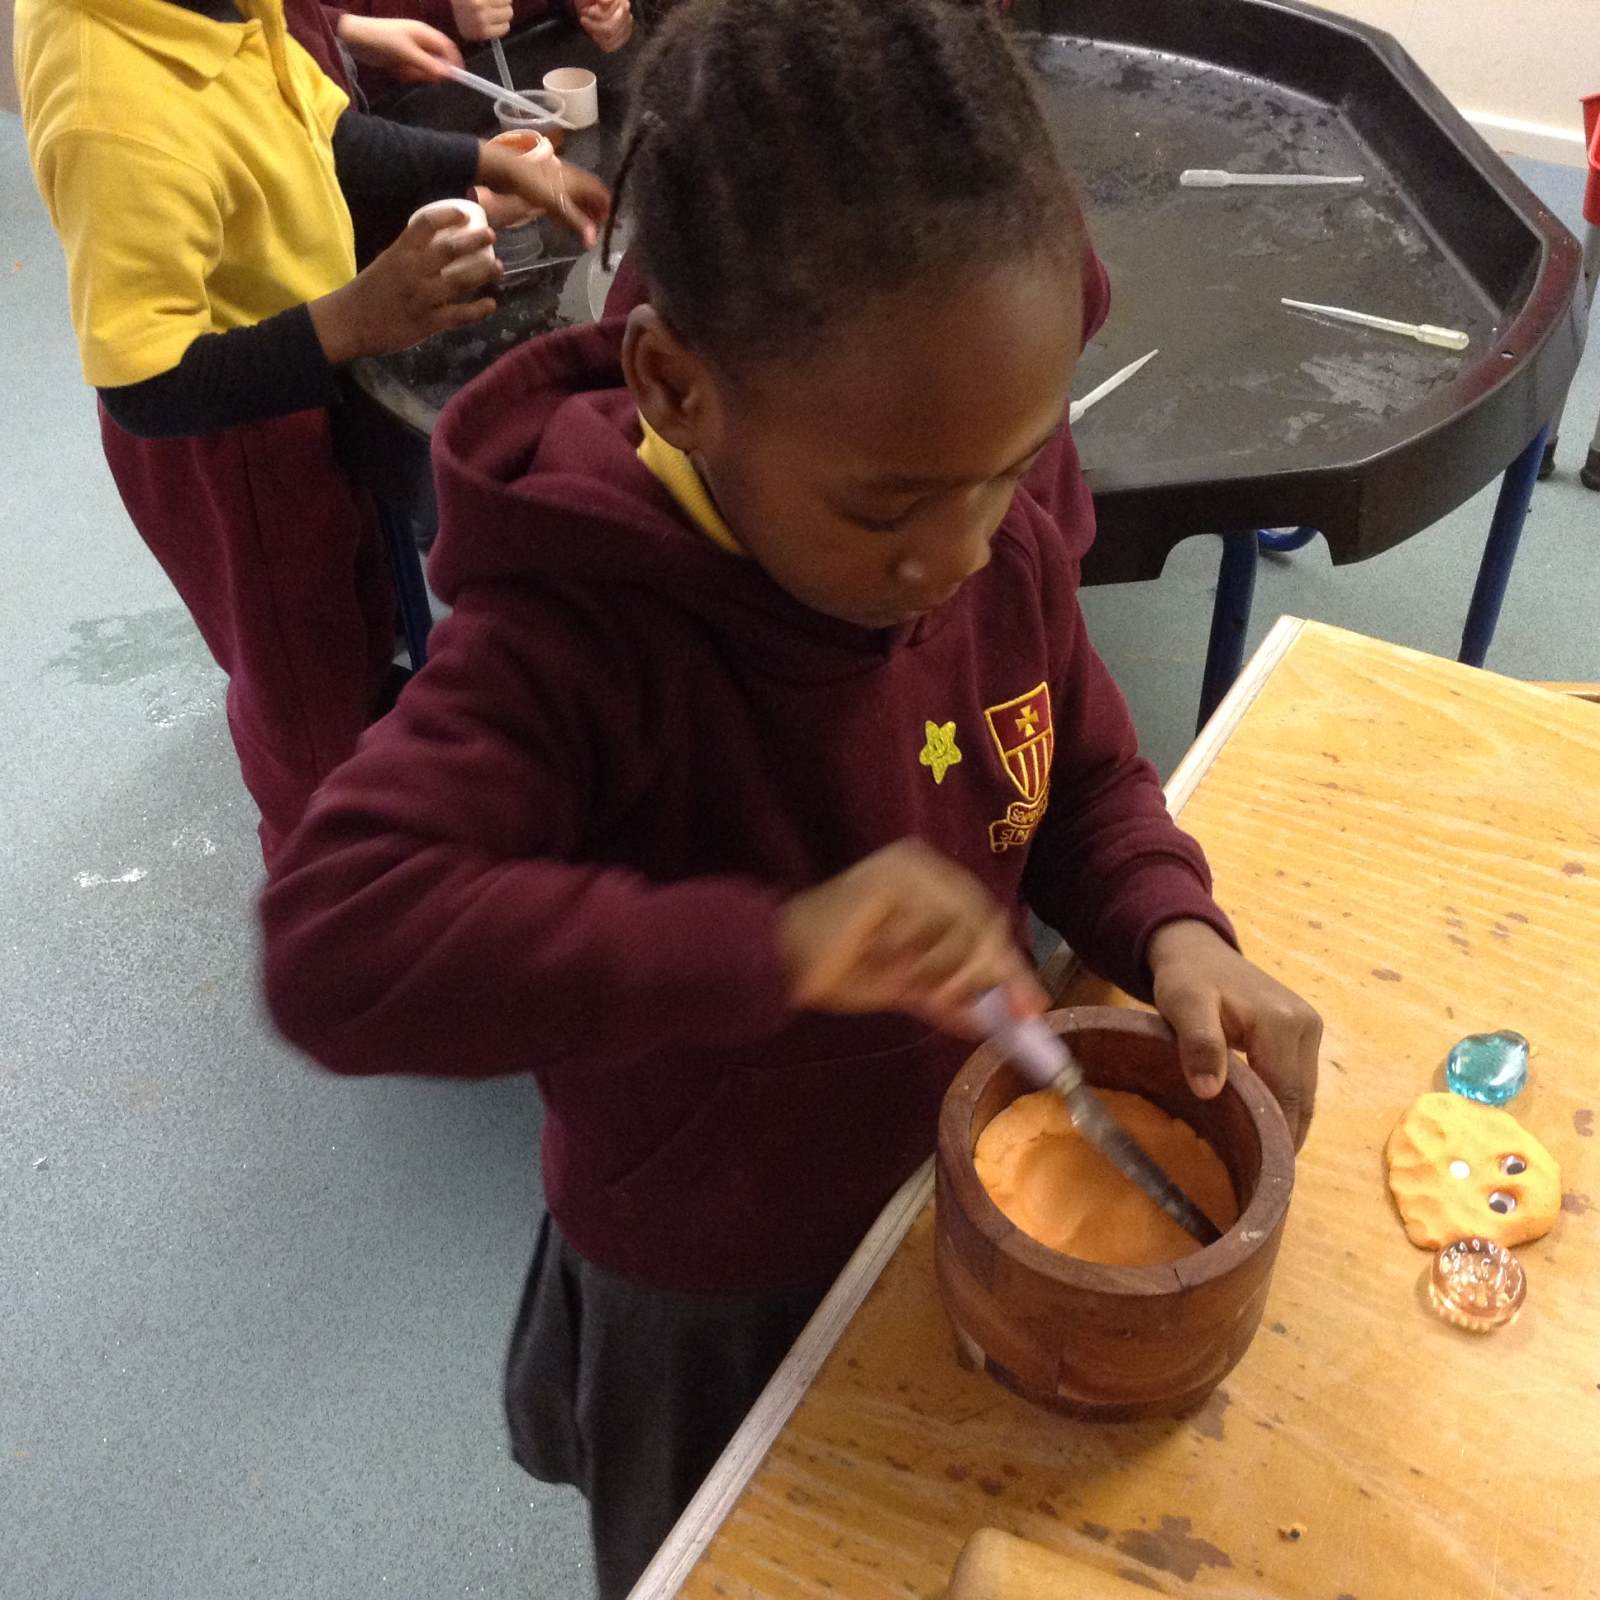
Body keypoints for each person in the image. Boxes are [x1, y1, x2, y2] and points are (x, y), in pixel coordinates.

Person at [258, 0, 1322, 1592]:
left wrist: (1172, 925)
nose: (965, 550)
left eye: (1014, 469)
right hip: (710, 1266)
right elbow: (335, 945)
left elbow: (1077, 760)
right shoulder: (577, 631)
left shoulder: (973, 471)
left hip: (954, 1195)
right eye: (890, 511)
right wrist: (776, 946)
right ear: (677, 387)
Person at [15, 0, 608, 865]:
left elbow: (314, 129)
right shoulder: (111, 111)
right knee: (303, 700)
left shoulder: (219, 11)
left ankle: (368, 722)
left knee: (352, 607)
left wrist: (480, 159)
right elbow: (145, 385)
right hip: (231, 451)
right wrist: (354, 320)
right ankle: (335, 871)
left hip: (301, 374)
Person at [334, 0, 631, 105]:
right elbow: (320, 29)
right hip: (406, 115)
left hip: (524, 68)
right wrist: (442, 11)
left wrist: (588, 8)